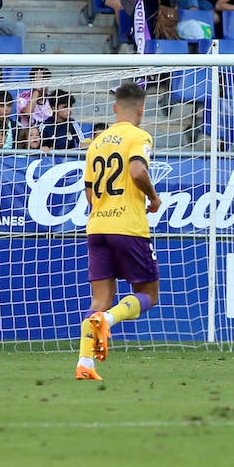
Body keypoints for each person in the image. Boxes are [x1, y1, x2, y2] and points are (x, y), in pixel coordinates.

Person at [75, 82, 162, 381]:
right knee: (148, 293)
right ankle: (108, 320)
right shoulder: (139, 136)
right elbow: (138, 170)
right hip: (128, 226)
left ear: (114, 108)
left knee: (99, 299)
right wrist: (153, 196)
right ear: (141, 109)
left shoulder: (96, 142)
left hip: (97, 226)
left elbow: (89, 193)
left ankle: (85, 363)